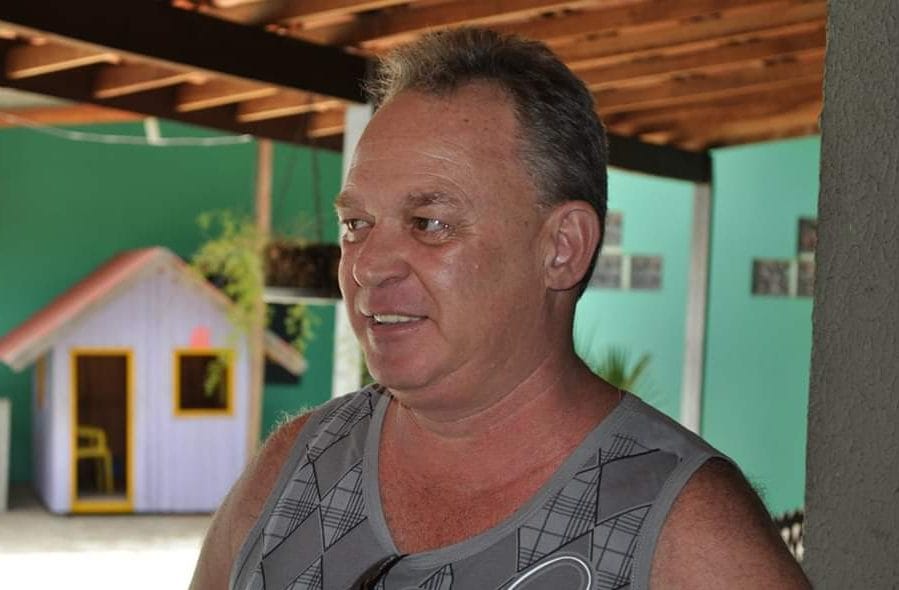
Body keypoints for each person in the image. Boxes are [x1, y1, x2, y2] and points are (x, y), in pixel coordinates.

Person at [191, 28, 811, 590]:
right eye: (356, 224)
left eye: (429, 222)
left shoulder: (687, 536)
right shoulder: (291, 471)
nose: (367, 265)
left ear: (562, 248)